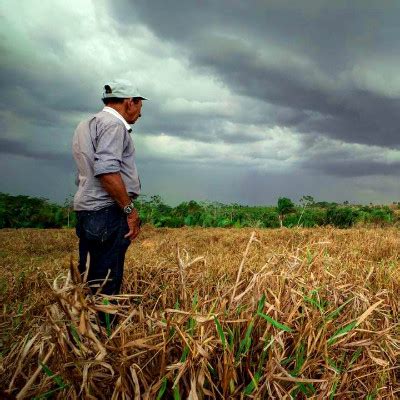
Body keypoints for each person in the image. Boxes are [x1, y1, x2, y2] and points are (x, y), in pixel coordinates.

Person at [72, 79, 146, 297]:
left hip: (87, 209)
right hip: (106, 211)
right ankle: (106, 327)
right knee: (106, 281)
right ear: (129, 102)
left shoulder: (87, 123)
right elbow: (107, 171)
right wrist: (129, 210)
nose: (140, 114)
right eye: (140, 106)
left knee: (89, 277)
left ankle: (87, 326)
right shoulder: (114, 126)